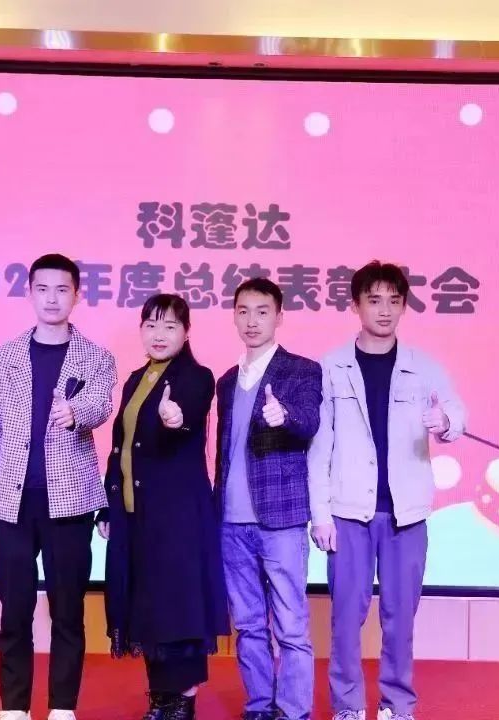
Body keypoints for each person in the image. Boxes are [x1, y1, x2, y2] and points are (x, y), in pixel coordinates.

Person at [307, 261, 467, 720]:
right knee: (345, 618)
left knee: (400, 618)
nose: (384, 310)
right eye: (374, 300)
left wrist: (446, 421)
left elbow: (456, 412)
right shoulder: (331, 366)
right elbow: (319, 446)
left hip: (406, 513)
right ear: (355, 305)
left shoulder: (423, 367)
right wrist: (320, 514)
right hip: (348, 512)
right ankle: (348, 706)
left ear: (403, 307)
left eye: (394, 301)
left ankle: (397, 705)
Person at [0, 253, 118, 720]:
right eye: (43, 289)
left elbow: (100, 405)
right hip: (12, 502)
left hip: (70, 504)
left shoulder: (96, 357)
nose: (52, 298)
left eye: (62, 290)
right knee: (14, 609)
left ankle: (62, 706)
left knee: (68, 610)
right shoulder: (4, 358)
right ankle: (13, 706)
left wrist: (76, 413)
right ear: (29, 293)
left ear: (77, 295)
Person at [99, 293, 229, 720]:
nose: (159, 334)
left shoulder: (197, 377)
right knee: (147, 605)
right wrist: (109, 504)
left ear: (186, 332)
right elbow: (120, 447)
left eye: (170, 326)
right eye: (151, 325)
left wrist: (176, 418)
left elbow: (185, 417)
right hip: (135, 515)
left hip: (177, 517)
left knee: (179, 605)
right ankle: (160, 697)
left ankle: (183, 699)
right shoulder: (136, 378)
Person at [215, 278, 322, 720]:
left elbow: (310, 421)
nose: (252, 321)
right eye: (243, 311)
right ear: (234, 316)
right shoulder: (225, 381)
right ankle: (259, 705)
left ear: (279, 316)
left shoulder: (302, 370)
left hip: (281, 520)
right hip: (230, 522)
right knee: (248, 625)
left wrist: (285, 416)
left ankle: (293, 711)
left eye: (262, 311)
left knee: (292, 626)